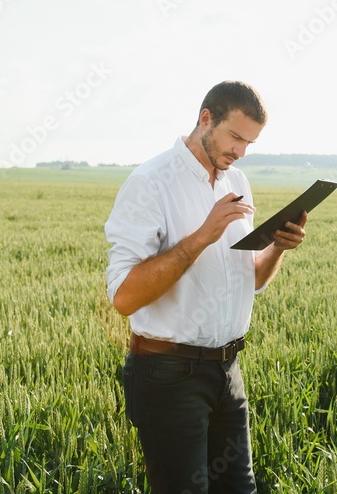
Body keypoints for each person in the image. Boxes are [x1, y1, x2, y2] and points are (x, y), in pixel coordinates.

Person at [105, 81, 306, 493]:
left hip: (227, 371)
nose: (240, 151)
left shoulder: (238, 182)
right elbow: (124, 297)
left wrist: (277, 250)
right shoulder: (151, 182)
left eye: (250, 142)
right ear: (205, 119)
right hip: (167, 374)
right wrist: (202, 235)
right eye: (235, 137)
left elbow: (250, 281)